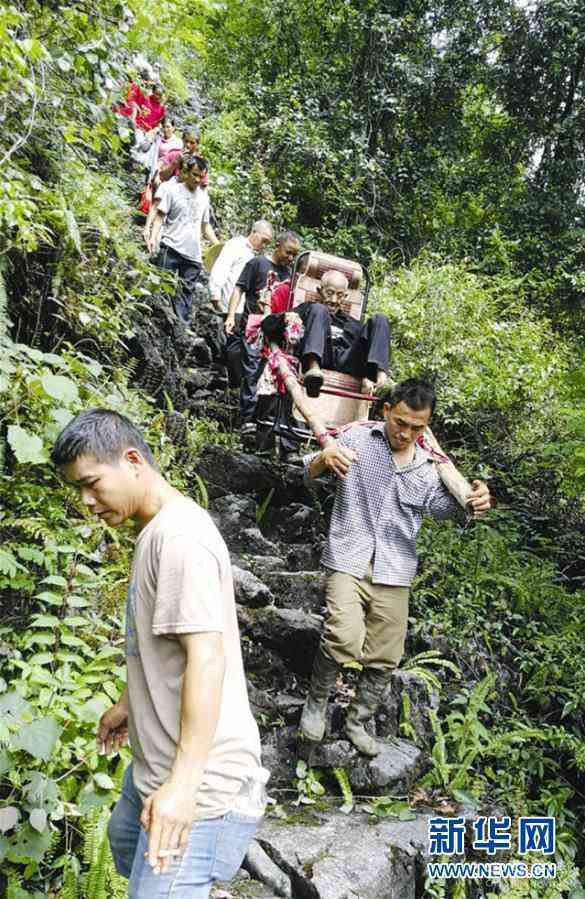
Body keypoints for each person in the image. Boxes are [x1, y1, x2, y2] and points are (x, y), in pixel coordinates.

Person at [51, 409, 268, 899]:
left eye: (91, 484)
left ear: (132, 460)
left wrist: (184, 788)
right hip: (156, 763)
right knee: (125, 843)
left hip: (203, 783)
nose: (86, 501)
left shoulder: (179, 538)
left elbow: (206, 658)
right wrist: (130, 702)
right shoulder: (155, 529)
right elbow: (163, 639)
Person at [299, 379, 492, 756]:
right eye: (400, 422)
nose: (405, 434)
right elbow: (307, 472)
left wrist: (476, 500)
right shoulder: (356, 438)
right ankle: (316, 705)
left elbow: (450, 509)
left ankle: (358, 720)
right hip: (348, 557)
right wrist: (324, 459)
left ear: (428, 426)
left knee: (386, 654)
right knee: (342, 636)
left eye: (417, 428)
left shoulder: (428, 468)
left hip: (396, 566)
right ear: (386, 410)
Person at [264, 270, 391, 398]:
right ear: (319, 291)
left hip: (347, 361)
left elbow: (367, 347)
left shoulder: (352, 323)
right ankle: (314, 371)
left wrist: (367, 374)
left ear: (345, 297)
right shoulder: (308, 309)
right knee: (320, 309)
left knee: (380, 319)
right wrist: (284, 317)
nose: (334, 300)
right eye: (329, 293)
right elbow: (266, 325)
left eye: (340, 295)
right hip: (320, 357)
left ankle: (381, 380)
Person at [224, 230, 301, 436]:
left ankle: (263, 423)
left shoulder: (290, 275)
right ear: (278, 245)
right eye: (288, 252)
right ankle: (246, 419)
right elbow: (239, 289)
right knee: (252, 371)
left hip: (277, 331)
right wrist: (231, 315)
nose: (290, 258)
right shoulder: (257, 263)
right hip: (254, 326)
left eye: (295, 255)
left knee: (271, 376)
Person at [145, 156, 219, 324]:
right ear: (186, 172)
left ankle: (181, 331)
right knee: (161, 292)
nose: (197, 179)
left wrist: (219, 246)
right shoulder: (172, 191)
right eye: (194, 174)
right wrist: (152, 237)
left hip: (193, 255)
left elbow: (205, 226)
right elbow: (159, 217)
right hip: (170, 247)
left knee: (185, 298)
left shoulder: (204, 198)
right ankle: (158, 326)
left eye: (201, 176)